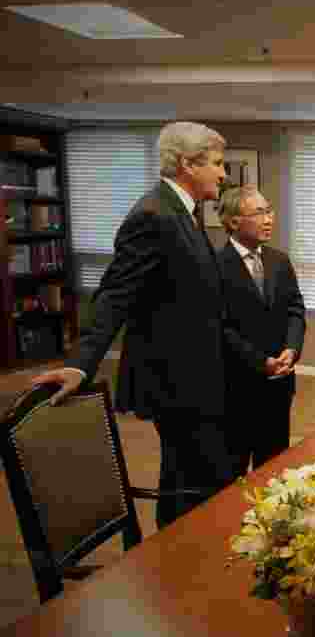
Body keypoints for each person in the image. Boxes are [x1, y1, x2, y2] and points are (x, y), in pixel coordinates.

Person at [32, 121, 234, 529]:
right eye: (217, 163)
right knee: (189, 482)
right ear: (187, 165)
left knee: (196, 479)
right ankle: (178, 561)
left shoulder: (182, 211)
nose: (224, 173)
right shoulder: (153, 214)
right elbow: (115, 293)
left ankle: (188, 553)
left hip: (198, 374)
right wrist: (81, 363)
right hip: (175, 380)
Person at [217, 184, 306, 476]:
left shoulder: (279, 261)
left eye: (269, 211)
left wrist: (291, 350)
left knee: (275, 470)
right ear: (233, 222)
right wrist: (259, 362)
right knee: (233, 475)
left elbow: (295, 309)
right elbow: (220, 327)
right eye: (259, 213)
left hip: (279, 386)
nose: (269, 219)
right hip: (237, 388)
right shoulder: (214, 266)